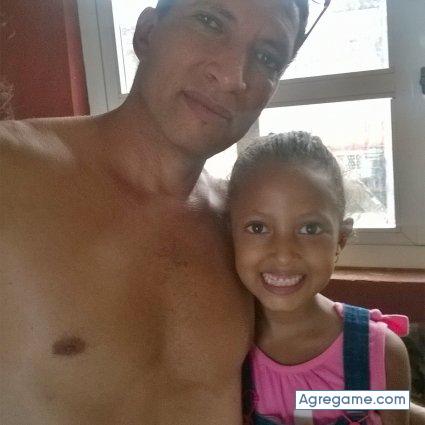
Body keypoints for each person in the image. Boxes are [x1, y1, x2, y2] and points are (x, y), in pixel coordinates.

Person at [0, 0, 309, 424]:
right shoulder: (11, 171)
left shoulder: (243, 226)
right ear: (146, 33)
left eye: (267, 57)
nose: (233, 77)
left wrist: (390, 383)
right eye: (210, 22)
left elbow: (310, 371)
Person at [228, 132, 411, 425]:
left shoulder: (381, 354)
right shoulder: (222, 352)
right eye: (258, 228)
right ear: (228, 234)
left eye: (309, 229)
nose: (284, 255)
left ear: (340, 240)